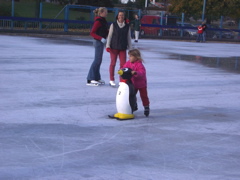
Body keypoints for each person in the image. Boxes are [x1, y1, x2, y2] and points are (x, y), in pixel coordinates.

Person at [106, 11, 132, 87]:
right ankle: (111, 79)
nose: (121, 16)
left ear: (124, 17)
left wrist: (130, 48)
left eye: (122, 15)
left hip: (123, 47)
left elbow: (128, 38)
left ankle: (122, 79)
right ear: (117, 16)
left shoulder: (127, 26)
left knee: (123, 65)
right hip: (113, 47)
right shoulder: (113, 25)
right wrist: (107, 46)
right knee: (113, 63)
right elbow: (110, 36)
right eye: (120, 15)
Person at [123, 49, 150, 117]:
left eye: (131, 56)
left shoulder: (139, 65)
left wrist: (136, 73)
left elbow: (142, 73)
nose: (129, 58)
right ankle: (134, 105)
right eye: (129, 56)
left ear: (136, 57)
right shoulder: (128, 63)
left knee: (144, 96)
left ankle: (146, 107)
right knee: (132, 95)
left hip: (141, 84)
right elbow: (124, 68)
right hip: (133, 84)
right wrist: (122, 72)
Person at [86, 7, 109, 86]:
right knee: (97, 60)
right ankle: (90, 78)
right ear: (101, 13)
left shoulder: (103, 21)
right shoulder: (98, 21)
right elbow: (92, 33)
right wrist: (100, 38)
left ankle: (96, 77)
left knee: (99, 60)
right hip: (98, 42)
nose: (107, 13)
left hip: (101, 42)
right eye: (105, 12)